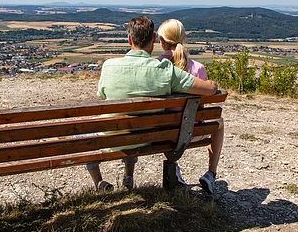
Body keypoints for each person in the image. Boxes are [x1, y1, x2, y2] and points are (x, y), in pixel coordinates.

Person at [86, 16, 220, 193]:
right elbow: (209, 88)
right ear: (153, 39)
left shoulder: (109, 66)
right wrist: (214, 85)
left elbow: (101, 95)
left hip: (114, 137)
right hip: (149, 139)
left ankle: (100, 183)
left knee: (84, 135)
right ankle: (128, 177)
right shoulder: (164, 70)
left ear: (129, 39)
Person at [157, 19, 224, 193]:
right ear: (184, 38)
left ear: (161, 41)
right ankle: (211, 174)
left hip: (163, 136)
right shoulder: (199, 68)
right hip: (194, 133)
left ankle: (174, 167)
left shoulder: (156, 68)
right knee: (219, 122)